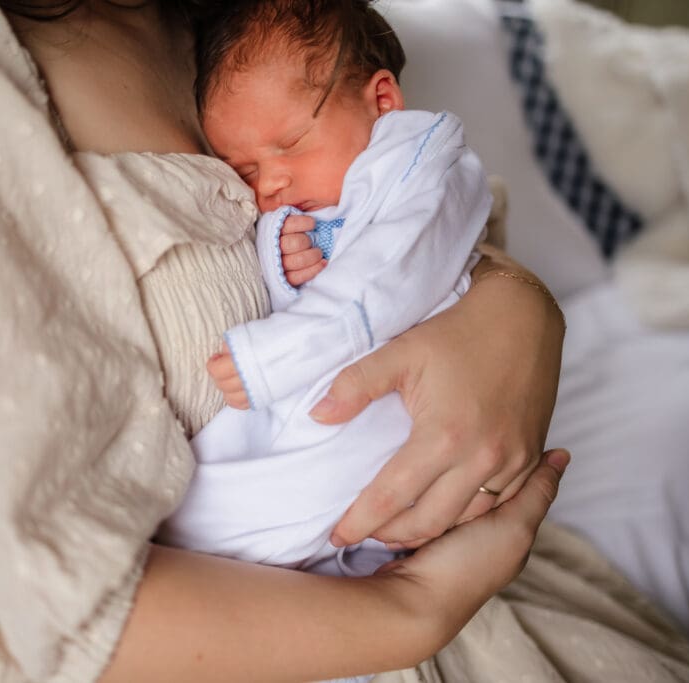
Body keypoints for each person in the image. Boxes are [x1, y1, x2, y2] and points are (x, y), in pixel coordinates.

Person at [0, 1, 689, 682]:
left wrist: (521, 311)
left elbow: (417, 223)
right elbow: (6, 616)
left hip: (492, 625)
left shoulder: (232, 26)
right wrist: (408, 611)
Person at [162, 0, 500, 584]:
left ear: (383, 102)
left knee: (221, 527)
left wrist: (278, 353)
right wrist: (283, 255)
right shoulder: (322, 196)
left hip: (393, 402)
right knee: (200, 502)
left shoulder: (424, 163)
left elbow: (391, 269)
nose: (270, 182)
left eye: (290, 143)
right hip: (332, 405)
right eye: (243, 170)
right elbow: (311, 272)